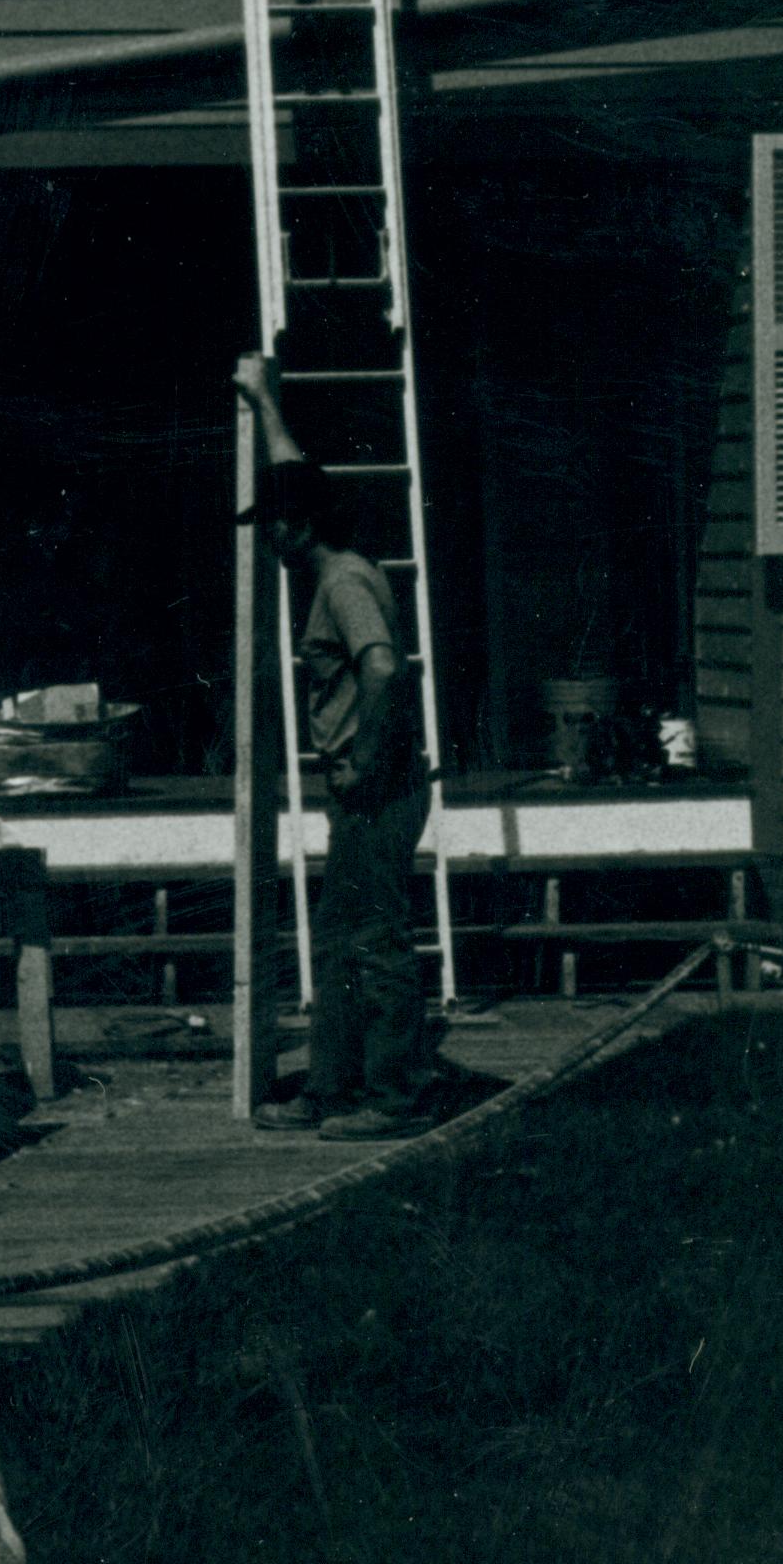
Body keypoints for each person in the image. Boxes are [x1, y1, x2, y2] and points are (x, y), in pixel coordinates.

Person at [236, 354, 439, 1138]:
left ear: (299, 526)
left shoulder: (343, 583)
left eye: (274, 526)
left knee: (376, 941)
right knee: (339, 938)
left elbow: (384, 669)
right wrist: (264, 401)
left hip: (378, 788)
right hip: (362, 787)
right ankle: (330, 1088)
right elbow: (294, 469)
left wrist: (360, 757)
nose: (268, 540)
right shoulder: (329, 564)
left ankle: (394, 1096)